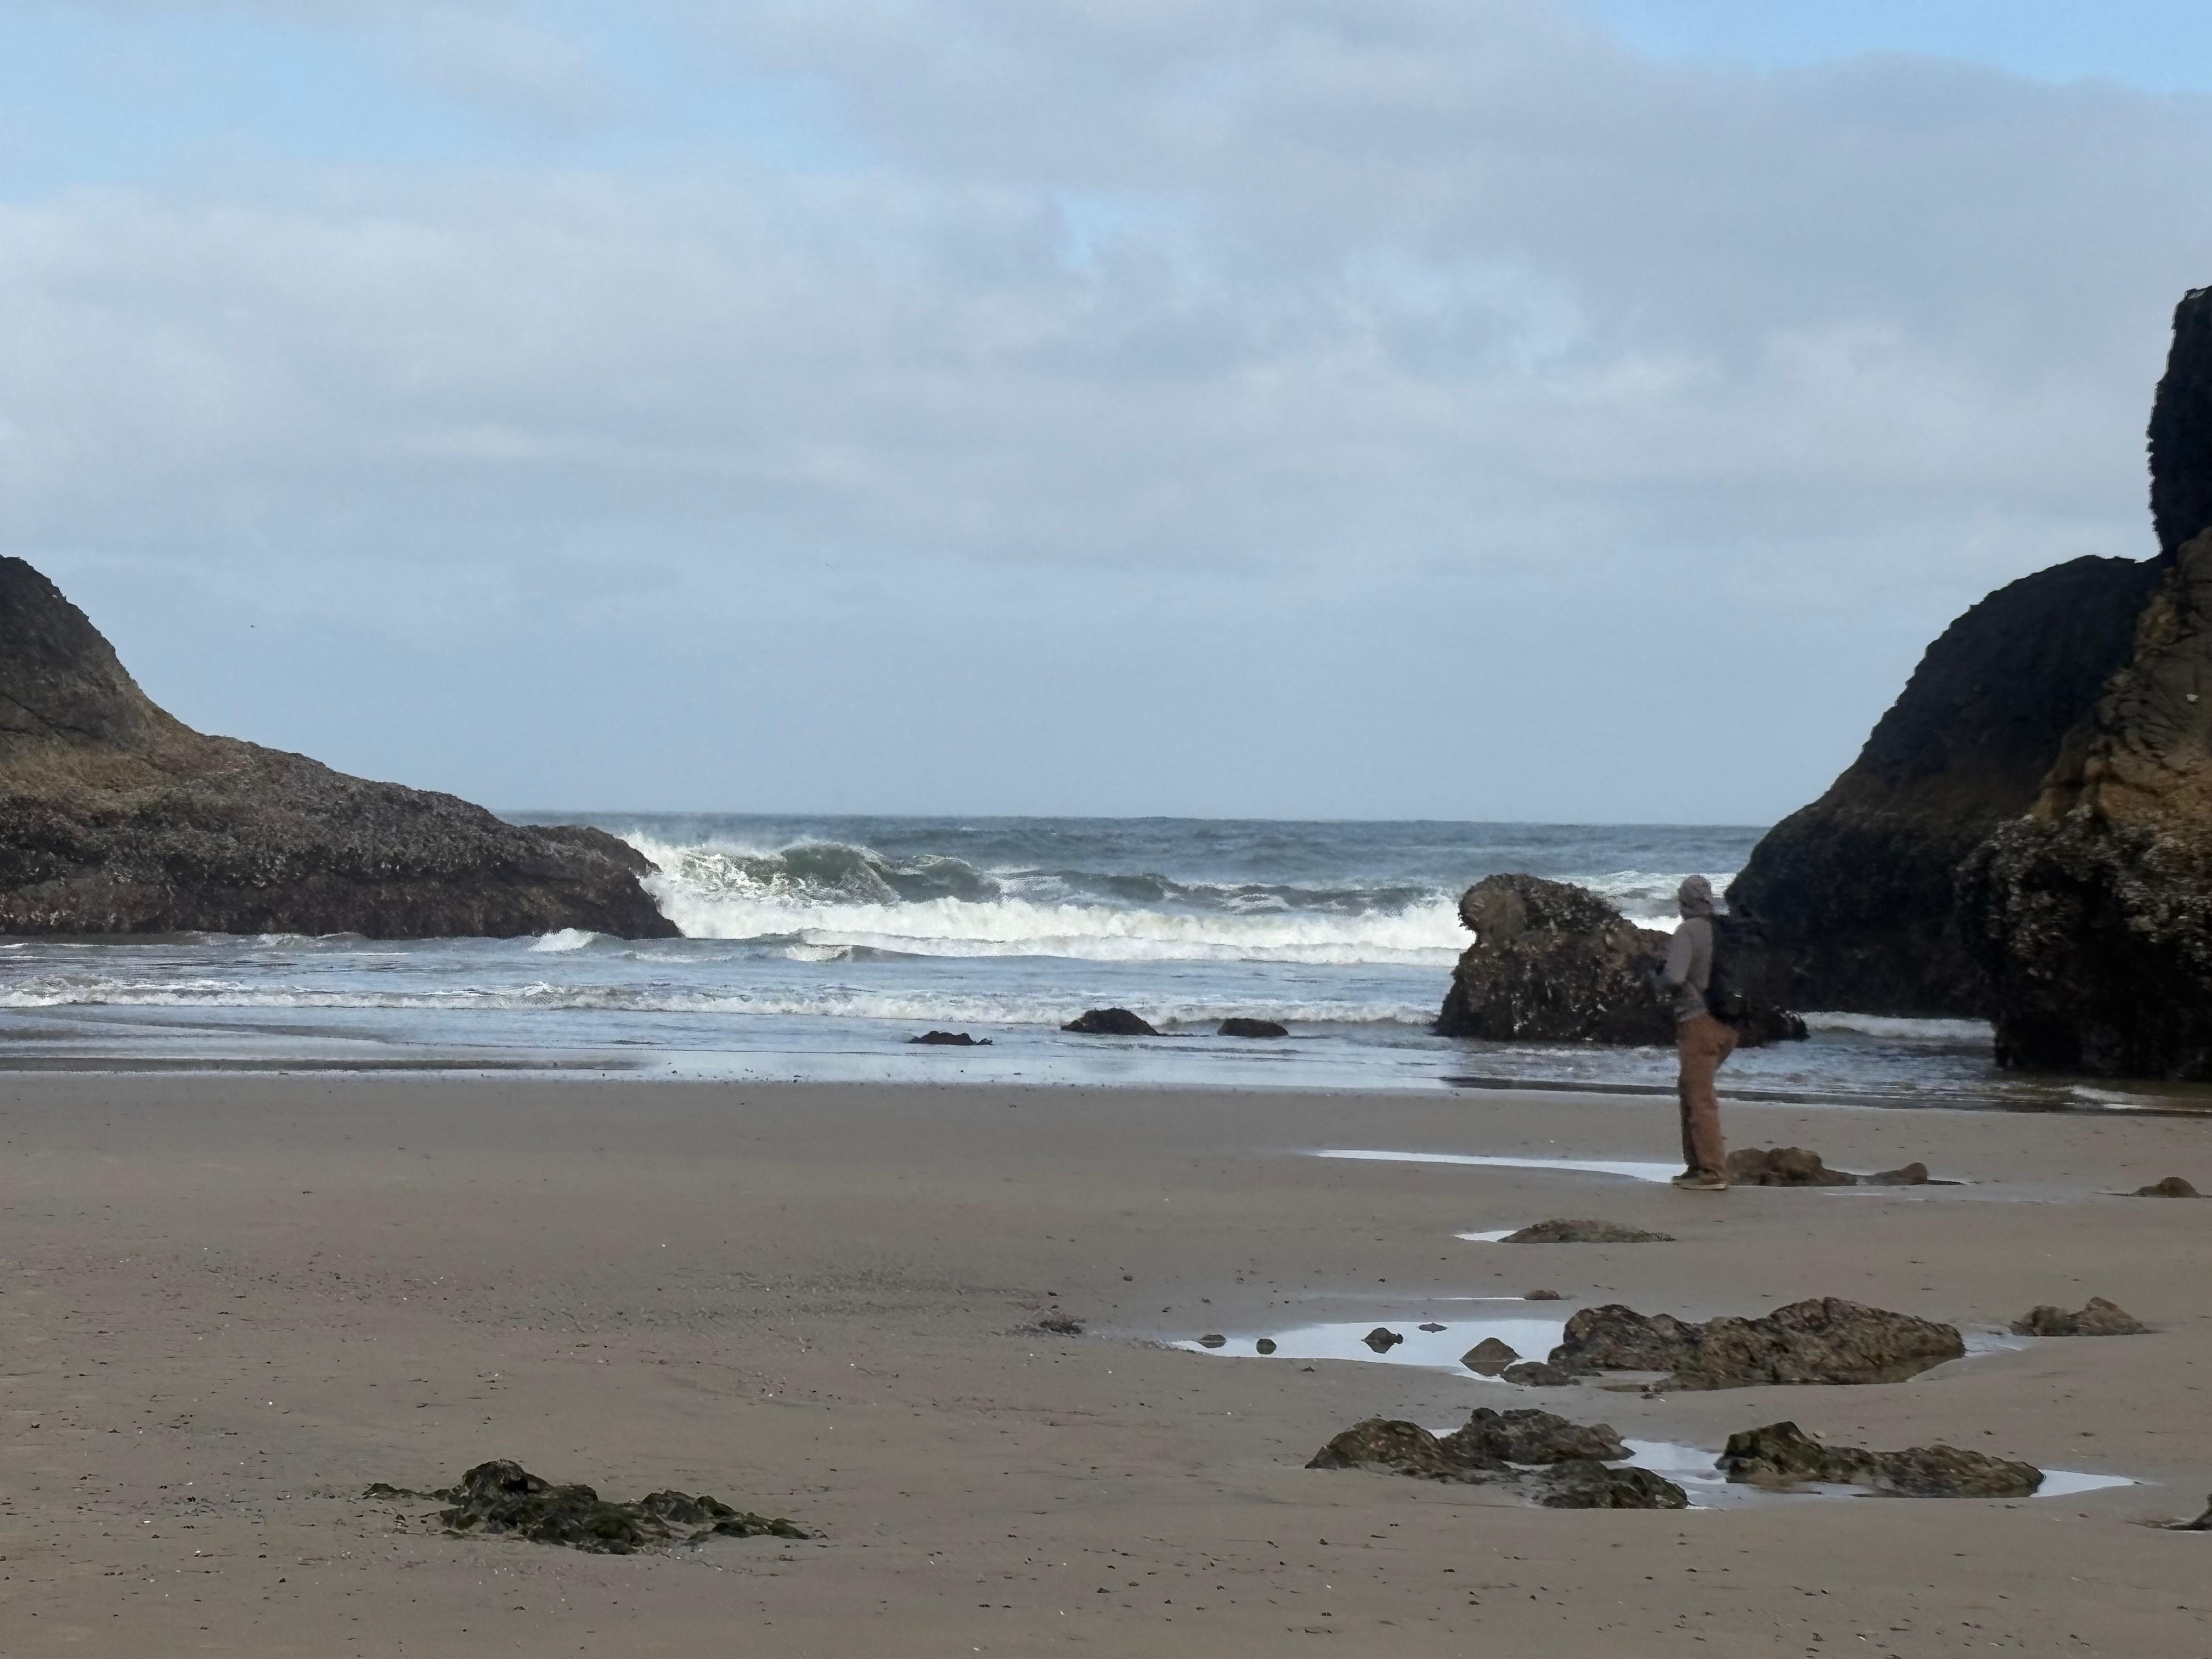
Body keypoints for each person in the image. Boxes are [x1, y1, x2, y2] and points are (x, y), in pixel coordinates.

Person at [1658, 874, 1735, 1191]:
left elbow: (1675, 977)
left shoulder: (1689, 930)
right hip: (1730, 1024)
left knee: (1700, 1097)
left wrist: (1657, 982)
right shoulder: (1726, 931)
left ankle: (1713, 1173)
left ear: (1683, 901)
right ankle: (1695, 1166)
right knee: (1690, 1088)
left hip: (1699, 1021)